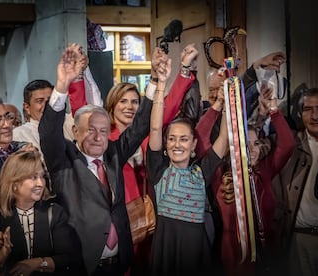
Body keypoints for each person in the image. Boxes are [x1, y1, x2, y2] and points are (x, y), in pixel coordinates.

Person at [39, 43, 156, 275]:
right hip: (82, 265)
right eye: (90, 130)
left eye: (103, 131)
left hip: (120, 263)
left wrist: (154, 81)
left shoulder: (113, 153)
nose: (97, 137)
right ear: (75, 131)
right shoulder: (64, 161)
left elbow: (140, 125)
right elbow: (48, 133)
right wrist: (62, 85)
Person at [105, 44, 199, 275]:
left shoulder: (149, 135)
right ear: (112, 106)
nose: (129, 107)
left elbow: (170, 104)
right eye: (123, 101)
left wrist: (183, 69)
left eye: (134, 102)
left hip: (154, 215)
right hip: (123, 219)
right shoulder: (105, 141)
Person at [146, 60, 228, 275]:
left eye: (183, 139)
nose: (177, 144)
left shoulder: (201, 173)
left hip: (196, 251)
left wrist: (227, 100)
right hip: (166, 249)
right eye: (172, 139)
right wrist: (161, 85)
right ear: (165, 144)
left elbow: (224, 138)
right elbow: (155, 127)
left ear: (193, 145)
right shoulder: (158, 171)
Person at [215, 87, 295, 276]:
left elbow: (288, 144)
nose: (252, 149)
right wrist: (219, 106)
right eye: (245, 144)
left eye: (256, 143)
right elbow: (202, 141)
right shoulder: (220, 174)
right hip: (235, 253)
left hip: (266, 250)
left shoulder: (265, 170)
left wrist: (273, 109)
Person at [0, 151, 85, 275]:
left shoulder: (54, 211)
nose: (40, 183)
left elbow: (70, 258)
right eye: (33, 177)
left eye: (42, 176)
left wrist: (37, 263)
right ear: (14, 184)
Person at [272, 87, 318, 276]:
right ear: (299, 114)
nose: (315, 116)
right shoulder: (289, 144)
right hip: (298, 239)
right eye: (308, 109)